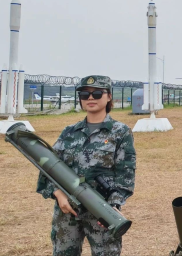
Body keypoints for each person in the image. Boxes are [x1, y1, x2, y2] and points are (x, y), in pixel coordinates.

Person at [36, 75, 136, 256]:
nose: (90, 98)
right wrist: (57, 194)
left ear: (109, 97)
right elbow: (48, 166)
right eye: (84, 94)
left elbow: (125, 173)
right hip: (67, 210)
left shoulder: (120, 132)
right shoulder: (69, 132)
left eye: (97, 93)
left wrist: (113, 205)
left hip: (101, 211)